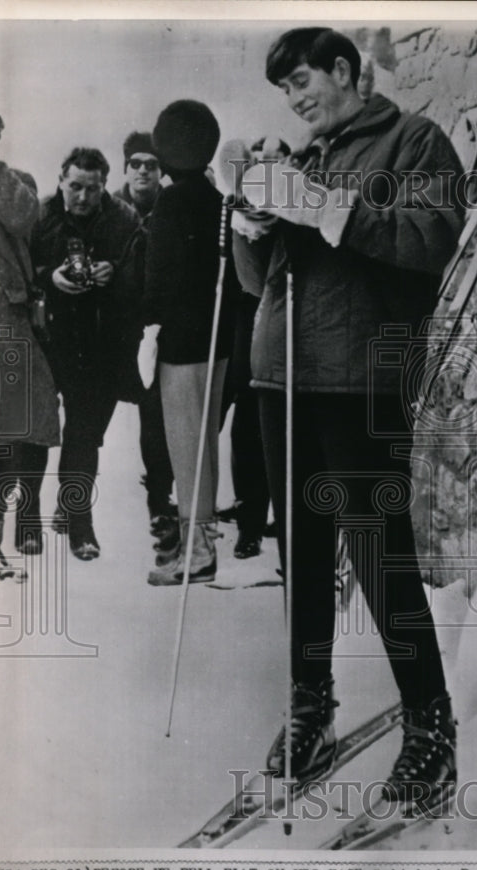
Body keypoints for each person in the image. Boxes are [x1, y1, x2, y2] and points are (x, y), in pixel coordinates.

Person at [230, 27, 465, 809]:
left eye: (302, 81)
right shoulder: (302, 157)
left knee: (376, 552)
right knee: (299, 552)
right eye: (285, 91)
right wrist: (253, 229)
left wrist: (328, 209)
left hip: (360, 376)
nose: (296, 100)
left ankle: (430, 726)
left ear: (344, 70)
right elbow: (256, 282)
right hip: (280, 376)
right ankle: (310, 706)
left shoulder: (413, 140)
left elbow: (431, 239)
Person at [138, 100, 239, 586]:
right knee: (205, 447)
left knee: (186, 449)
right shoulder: (217, 200)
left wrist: (148, 327)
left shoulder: (171, 203)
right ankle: (202, 543)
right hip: (217, 341)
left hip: (181, 346)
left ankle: (197, 554)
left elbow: (156, 282)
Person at [31, 147, 144, 560]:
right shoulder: (40, 216)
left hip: (99, 345)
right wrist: (49, 277)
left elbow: (140, 280)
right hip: (48, 340)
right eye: (74, 186)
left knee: (84, 434)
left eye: (91, 189)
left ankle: (79, 523)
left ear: (104, 186)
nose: (82, 197)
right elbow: (18, 271)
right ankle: (31, 517)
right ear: (61, 180)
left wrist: (113, 271)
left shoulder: (124, 219)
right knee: (38, 430)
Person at [0, 113, 60, 558]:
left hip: (10, 316)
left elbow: (24, 216)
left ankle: (29, 512)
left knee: (32, 418)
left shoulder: (11, 182)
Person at [220, 136, 290, 560]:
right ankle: (249, 524)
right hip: (254, 315)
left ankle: (285, 526)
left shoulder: (298, 192)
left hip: (295, 318)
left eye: (276, 156)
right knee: (250, 421)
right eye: (261, 156)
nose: (268, 162)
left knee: (288, 428)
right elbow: (248, 277)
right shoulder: (243, 207)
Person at [114, 132, 178, 560]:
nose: (142, 170)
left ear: (162, 171)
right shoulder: (111, 210)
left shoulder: (172, 210)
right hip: (115, 328)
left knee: (156, 416)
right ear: (125, 168)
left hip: (156, 326)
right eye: (135, 162)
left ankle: (160, 502)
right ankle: (71, 502)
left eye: (151, 164)